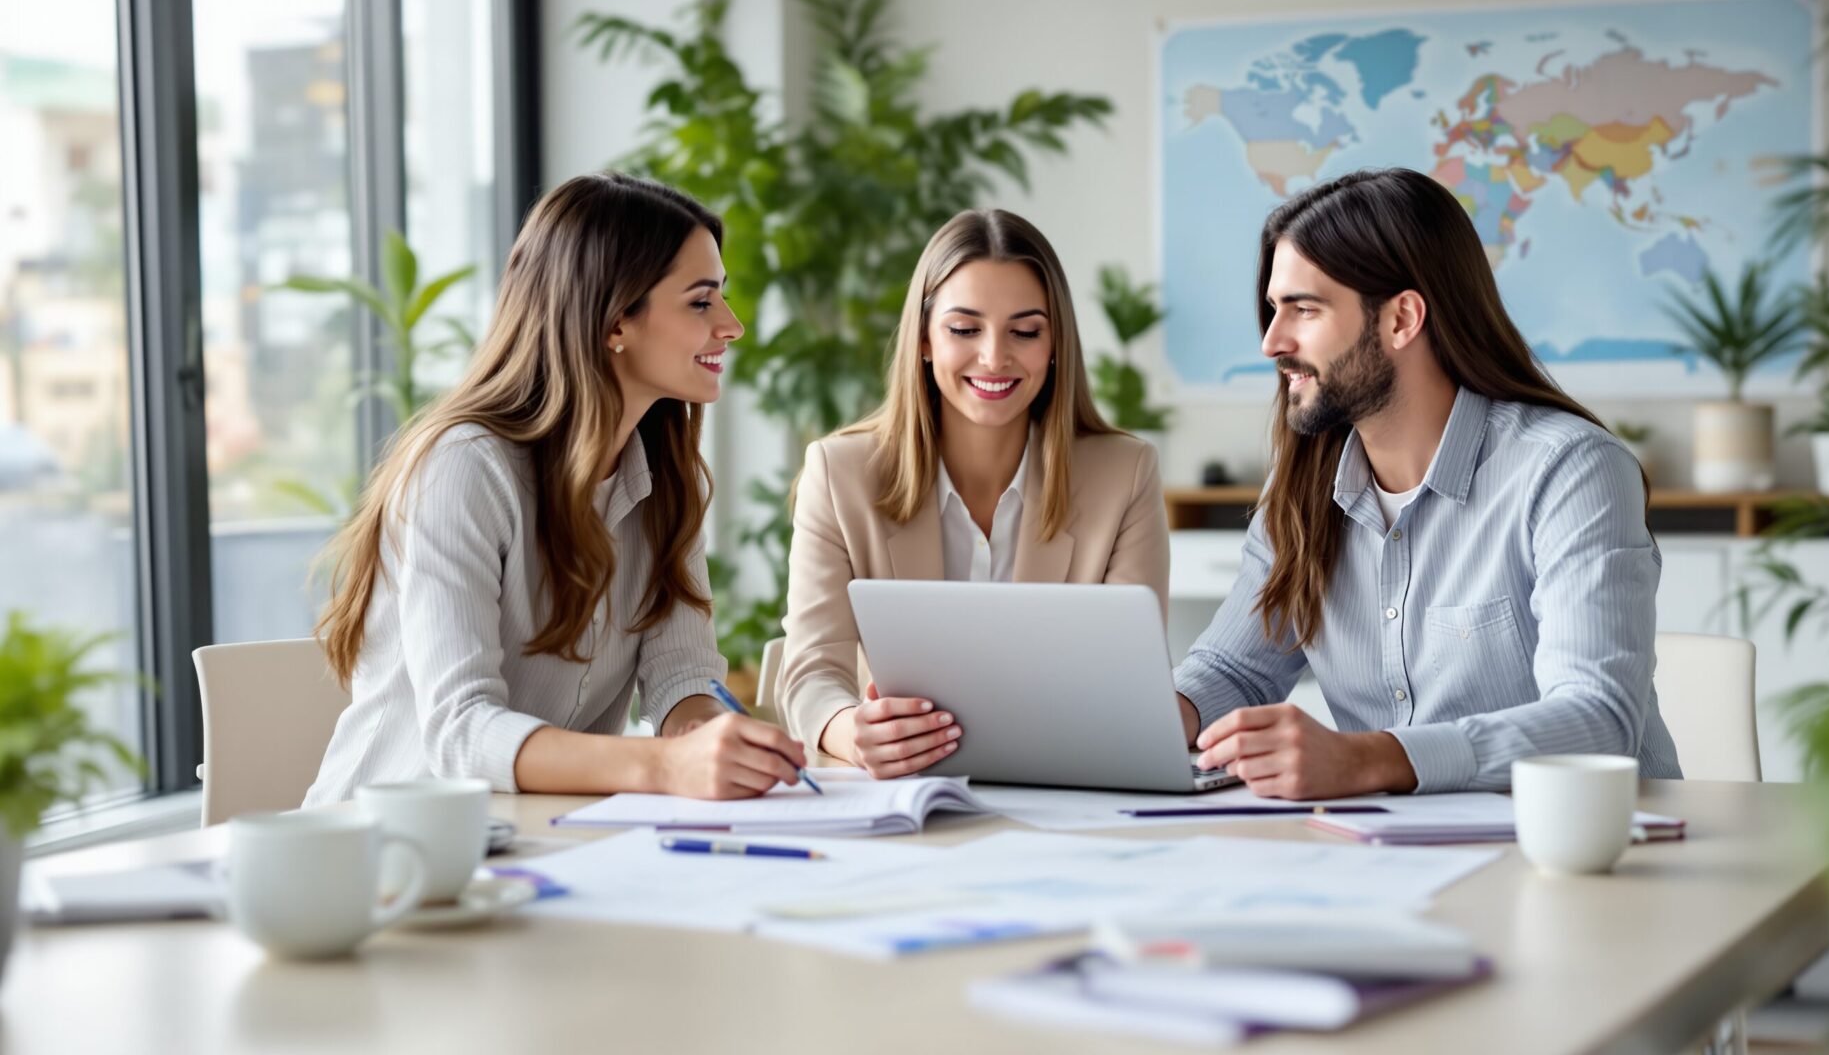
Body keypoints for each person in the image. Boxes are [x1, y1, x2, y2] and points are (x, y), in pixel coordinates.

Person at [1176, 168, 1682, 799]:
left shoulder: (1570, 469)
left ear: (1402, 319)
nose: (1273, 341)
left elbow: (1597, 720)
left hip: (1590, 853)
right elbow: (1236, 668)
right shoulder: (1302, 485)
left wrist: (1369, 760)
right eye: (1275, 309)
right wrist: (1155, 717)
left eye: (1304, 309)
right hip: (1395, 859)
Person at [305, 173, 806, 806]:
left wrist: (711, 740)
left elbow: (682, 674)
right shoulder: (463, 468)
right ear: (615, 320)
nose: (731, 326)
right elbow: (461, 733)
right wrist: (664, 766)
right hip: (388, 855)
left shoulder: (662, 477)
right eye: (701, 302)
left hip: (542, 839)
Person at [777, 209, 1170, 777]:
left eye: (1025, 331)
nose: (993, 356)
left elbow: (1129, 681)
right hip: (904, 794)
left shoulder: (1125, 473)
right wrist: (848, 731)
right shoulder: (840, 473)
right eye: (964, 329)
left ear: (1055, 342)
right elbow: (811, 669)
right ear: (925, 341)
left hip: (1065, 789)